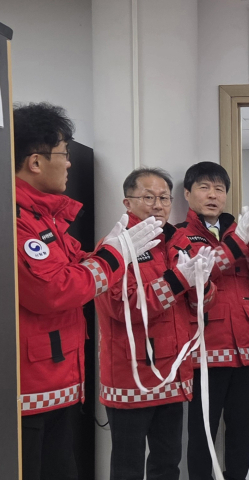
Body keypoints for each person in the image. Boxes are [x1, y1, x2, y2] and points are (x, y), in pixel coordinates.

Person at [14, 103, 162, 480]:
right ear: (35, 162)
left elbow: (77, 264)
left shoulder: (44, 218)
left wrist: (110, 250)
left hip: (57, 381)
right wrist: (115, 254)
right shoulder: (16, 220)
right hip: (29, 392)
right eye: (63, 154)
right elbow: (55, 290)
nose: (69, 164)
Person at [95, 167, 216, 480]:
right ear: (127, 202)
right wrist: (178, 280)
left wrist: (202, 285)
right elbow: (123, 307)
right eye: (148, 197)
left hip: (173, 373)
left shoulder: (178, 242)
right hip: (131, 375)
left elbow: (198, 306)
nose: (158, 205)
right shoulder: (115, 247)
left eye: (164, 198)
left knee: (168, 463)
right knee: (128, 466)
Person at [177, 161, 249, 480]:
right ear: (187, 194)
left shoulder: (241, 232)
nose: (213, 195)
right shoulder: (180, 236)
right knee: (202, 431)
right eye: (204, 188)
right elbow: (199, 276)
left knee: (241, 428)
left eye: (219, 189)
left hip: (244, 347)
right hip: (205, 349)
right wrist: (236, 245)